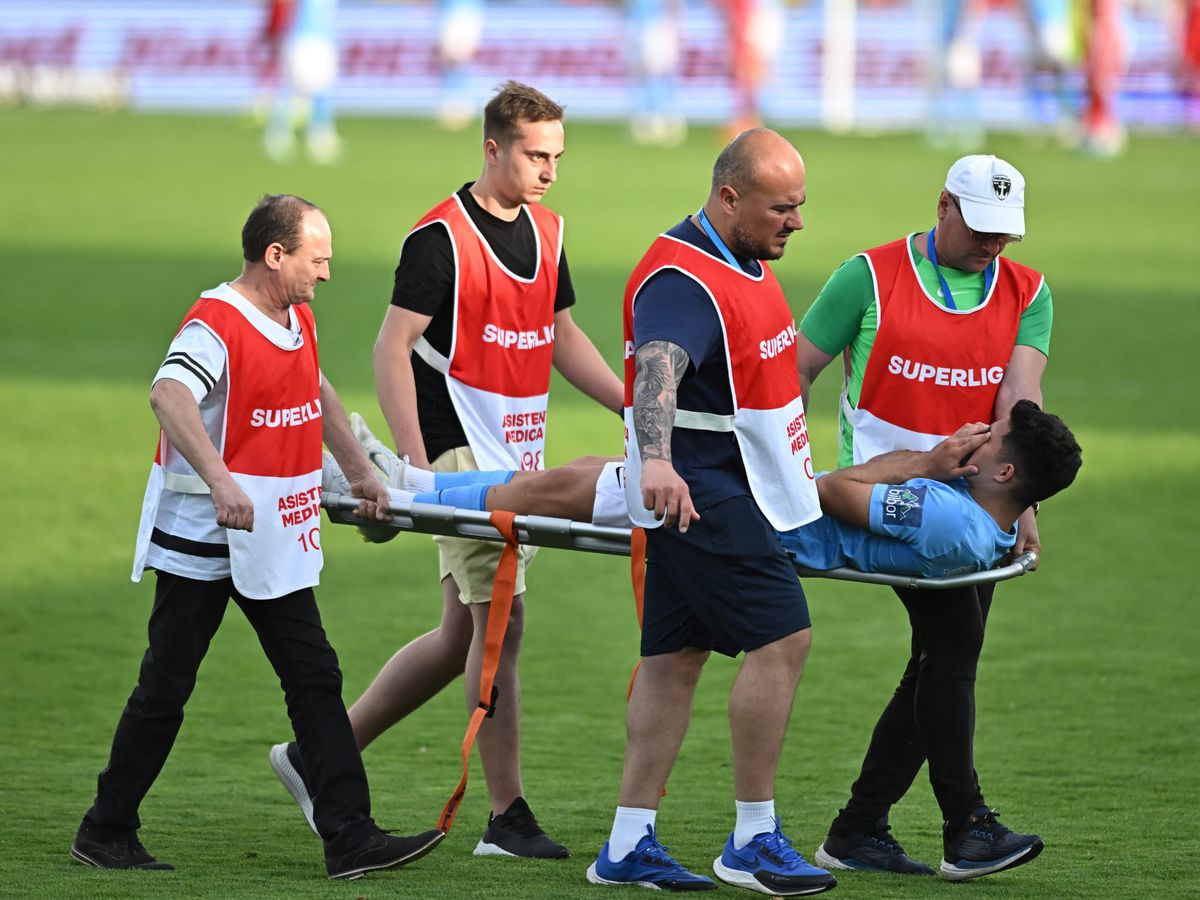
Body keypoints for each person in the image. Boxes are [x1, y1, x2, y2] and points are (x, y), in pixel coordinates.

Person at [268, 81, 624, 859]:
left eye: (558, 156)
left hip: (518, 456)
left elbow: (562, 337)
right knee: (502, 621)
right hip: (456, 453)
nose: (549, 170)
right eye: (536, 155)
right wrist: (417, 473)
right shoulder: (438, 238)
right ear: (493, 148)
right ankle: (506, 818)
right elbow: (390, 348)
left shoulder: (551, 231)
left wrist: (632, 405)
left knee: (461, 629)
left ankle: (319, 754)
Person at [70, 195, 444, 881]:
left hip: (271, 533)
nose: (326, 275)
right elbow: (168, 396)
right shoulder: (216, 322)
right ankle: (105, 827)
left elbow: (318, 391)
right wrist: (219, 481)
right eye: (317, 259)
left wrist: (362, 473)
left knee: (313, 675)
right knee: (167, 685)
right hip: (206, 537)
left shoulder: (295, 316)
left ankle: (349, 837)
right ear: (276, 256)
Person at [575, 127, 834, 895]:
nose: (795, 222)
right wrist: (655, 460)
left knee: (673, 659)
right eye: (781, 208)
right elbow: (657, 364)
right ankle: (753, 838)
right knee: (784, 640)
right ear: (729, 197)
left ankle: (627, 846)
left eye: (800, 207)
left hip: (728, 481)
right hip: (703, 488)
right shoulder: (683, 279)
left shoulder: (742, 258)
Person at [794, 154, 1054, 881]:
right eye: (980, 226)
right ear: (943, 204)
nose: (993, 244)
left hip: (978, 508)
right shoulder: (867, 277)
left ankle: (859, 828)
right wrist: (789, 474)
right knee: (954, 646)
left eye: (1007, 232)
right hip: (887, 503)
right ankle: (965, 825)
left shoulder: (1029, 293)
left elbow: (1018, 407)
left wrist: (1022, 502)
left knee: (943, 659)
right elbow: (793, 374)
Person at [343, 401, 1081, 580]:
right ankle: (420, 482)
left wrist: (923, 462)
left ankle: (409, 497)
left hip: (766, 523)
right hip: (766, 513)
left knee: (571, 492)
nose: (973, 438)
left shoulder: (950, 515)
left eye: (987, 442)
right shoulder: (989, 524)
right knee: (593, 471)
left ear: (1003, 473)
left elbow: (827, 492)